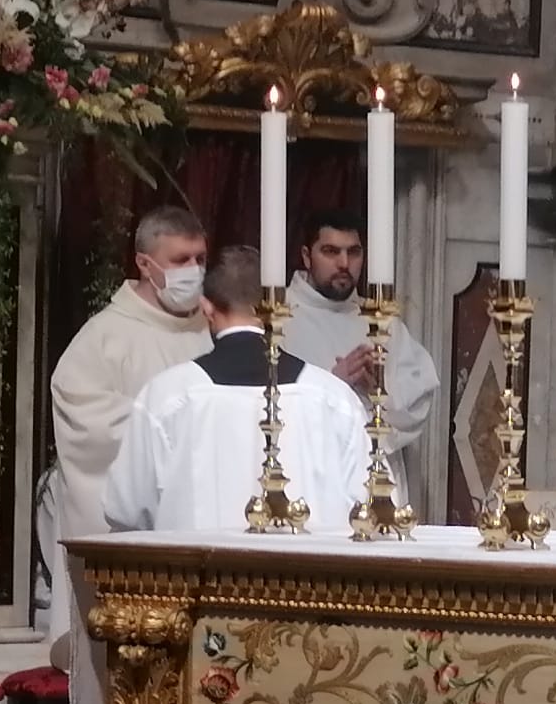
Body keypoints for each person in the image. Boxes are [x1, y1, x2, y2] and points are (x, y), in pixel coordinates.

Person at [47, 206, 212, 663]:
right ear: (145, 264)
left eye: (200, 259)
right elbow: (84, 415)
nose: (194, 272)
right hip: (134, 554)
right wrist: (168, 426)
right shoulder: (105, 336)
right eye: (180, 261)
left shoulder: (215, 331)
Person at [105, 247, 368, 534]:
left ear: (206, 307)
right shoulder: (333, 397)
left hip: (197, 575)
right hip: (308, 575)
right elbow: (370, 507)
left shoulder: (167, 395)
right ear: (279, 306)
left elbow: (126, 509)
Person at [279, 210, 438, 506]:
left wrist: (381, 392)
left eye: (353, 252)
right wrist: (330, 384)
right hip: (304, 477)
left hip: (372, 480)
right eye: (330, 251)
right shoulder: (279, 318)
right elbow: (262, 406)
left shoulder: (382, 323)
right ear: (306, 255)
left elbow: (416, 405)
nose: (344, 264)